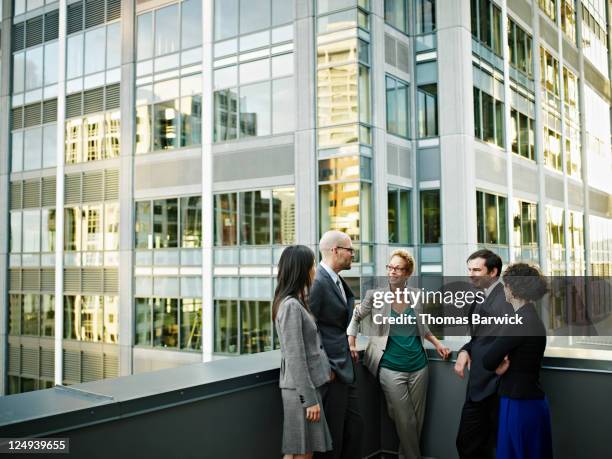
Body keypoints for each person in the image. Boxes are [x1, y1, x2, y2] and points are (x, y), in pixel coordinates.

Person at [347, 249, 450, 459]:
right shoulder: (375, 295)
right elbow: (356, 317)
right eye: (390, 267)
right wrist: (351, 341)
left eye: (398, 268)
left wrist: (437, 343)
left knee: (417, 420)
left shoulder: (415, 295)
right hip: (390, 367)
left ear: (407, 273)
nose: (392, 272)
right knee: (404, 419)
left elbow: (422, 327)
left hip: (419, 366)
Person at [482, 263, 552, 459]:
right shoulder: (533, 318)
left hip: (518, 404)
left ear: (512, 289)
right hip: (532, 402)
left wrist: (498, 366)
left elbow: (488, 360)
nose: (504, 288)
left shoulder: (518, 321)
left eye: (505, 285)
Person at [274, 245, 333, 459]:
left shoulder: (297, 302)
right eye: (313, 264)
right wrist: (309, 400)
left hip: (305, 387)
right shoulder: (291, 306)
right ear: (302, 270)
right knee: (302, 453)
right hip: (301, 391)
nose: (315, 269)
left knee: (298, 451)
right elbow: (295, 357)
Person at [454, 249, 515, 459]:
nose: (471, 274)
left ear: (493, 272)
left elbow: (507, 342)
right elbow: (479, 339)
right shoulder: (479, 296)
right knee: (468, 445)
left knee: (486, 447)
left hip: (496, 389)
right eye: (469, 269)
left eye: (477, 270)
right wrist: (465, 351)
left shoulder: (507, 301)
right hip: (478, 387)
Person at [310, 231, 364, 459]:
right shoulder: (318, 281)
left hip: (344, 368)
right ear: (335, 251)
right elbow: (309, 329)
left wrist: (349, 342)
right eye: (350, 250)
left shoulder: (337, 280)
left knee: (354, 430)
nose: (353, 254)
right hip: (331, 372)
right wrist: (326, 367)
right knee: (333, 438)